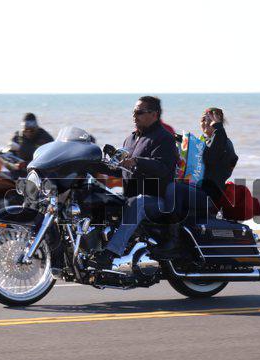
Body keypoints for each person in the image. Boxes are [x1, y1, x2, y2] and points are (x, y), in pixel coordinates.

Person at [92, 96, 178, 268]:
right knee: (96, 195)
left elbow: (163, 168)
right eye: (134, 112)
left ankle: (110, 254)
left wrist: (137, 161)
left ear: (154, 114)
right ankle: (91, 247)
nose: (134, 116)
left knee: (138, 203)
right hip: (130, 194)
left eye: (139, 112)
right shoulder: (130, 139)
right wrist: (93, 165)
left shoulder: (165, 138)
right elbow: (121, 170)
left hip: (157, 199)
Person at [154, 107, 238, 257]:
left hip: (209, 197)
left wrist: (218, 127)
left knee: (175, 189)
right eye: (203, 119)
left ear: (219, 121)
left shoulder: (224, 143)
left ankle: (172, 240)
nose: (205, 122)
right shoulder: (202, 142)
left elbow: (211, 157)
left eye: (210, 119)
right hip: (196, 190)